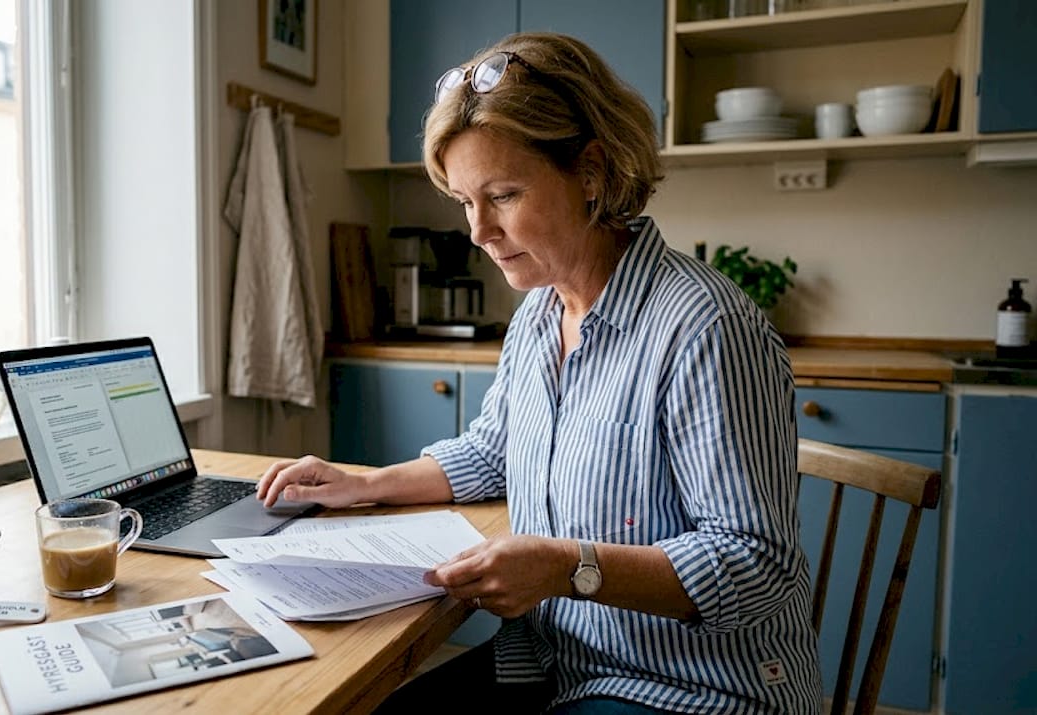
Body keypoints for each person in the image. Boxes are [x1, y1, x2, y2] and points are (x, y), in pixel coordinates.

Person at [257, 32, 822, 714]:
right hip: (562, 660)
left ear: (591, 172)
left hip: (694, 688)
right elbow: (494, 451)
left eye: (503, 194)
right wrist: (365, 483)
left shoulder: (705, 328)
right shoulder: (538, 315)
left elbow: (755, 562)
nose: (478, 231)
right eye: (465, 201)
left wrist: (566, 566)